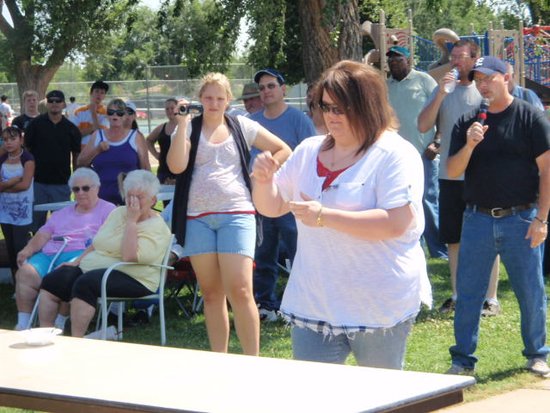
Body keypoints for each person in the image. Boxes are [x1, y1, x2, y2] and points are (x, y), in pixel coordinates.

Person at [252, 60, 430, 369]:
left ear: (367, 106)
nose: (331, 117)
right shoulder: (308, 150)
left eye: (340, 109)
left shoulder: (395, 154)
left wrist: (324, 216)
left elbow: (396, 223)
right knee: (313, 399)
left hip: (377, 303)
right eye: (326, 107)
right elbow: (272, 206)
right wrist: (263, 181)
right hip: (315, 300)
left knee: (380, 398)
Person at [167, 72, 291, 356]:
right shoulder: (187, 128)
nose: (213, 103)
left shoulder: (242, 125)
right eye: (208, 98)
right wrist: (182, 122)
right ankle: (219, 361)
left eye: (219, 98)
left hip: (237, 213)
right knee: (211, 294)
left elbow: (283, 149)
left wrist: (265, 167)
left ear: (228, 100)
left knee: (242, 290)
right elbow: (176, 166)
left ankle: (252, 361)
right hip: (197, 217)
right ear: (200, 99)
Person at [446, 56, 550, 376]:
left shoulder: (530, 117)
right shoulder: (467, 122)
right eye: (478, 78)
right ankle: (462, 359)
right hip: (477, 219)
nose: (483, 83)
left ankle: (537, 353)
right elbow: (452, 171)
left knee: (529, 291)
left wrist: (542, 219)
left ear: (507, 77)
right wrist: (470, 144)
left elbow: (547, 171)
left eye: (489, 77)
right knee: (468, 293)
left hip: (521, 218)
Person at [418, 40, 501, 317]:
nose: (455, 62)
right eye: (452, 57)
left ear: (474, 59)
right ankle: (456, 294)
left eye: (461, 57)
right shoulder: (442, 89)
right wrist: (440, 94)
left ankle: (491, 299)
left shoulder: (484, 91)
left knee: (489, 236)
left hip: (483, 175)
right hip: (449, 176)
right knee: (454, 238)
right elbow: (423, 125)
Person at [37, 169, 171, 337]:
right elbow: (97, 243)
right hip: (97, 268)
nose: (133, 202)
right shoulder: (117, 213)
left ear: (153, 200)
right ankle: (44, 336)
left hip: (137, 278)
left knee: (86, 283)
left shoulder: (156, 228)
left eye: (139, 197)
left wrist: (131, 221)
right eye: (130, 196)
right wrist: (77, 261)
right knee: (53, 281)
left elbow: (129, 256)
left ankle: (75, 341)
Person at [250, 68, 316, 322]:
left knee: (300, 253)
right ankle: (267, 304)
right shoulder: (252, 122)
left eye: (271, 86)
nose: (266, 91)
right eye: (262, 88)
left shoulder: (298, 120)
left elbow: (312, 157)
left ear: (283, 89)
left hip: (292, 202)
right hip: (262, 201)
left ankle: (305, 304)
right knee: (263, 254)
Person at [14, 168, 115, 331]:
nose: (80, 192)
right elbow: (43, 234)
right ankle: (23, 323)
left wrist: (79, 260)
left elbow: (107, 240)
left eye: (86, 188)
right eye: (76, 189)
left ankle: (59, 322)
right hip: (50, 253)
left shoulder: (109, 210)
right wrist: (27, 250)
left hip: (82, 254)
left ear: (97, 187)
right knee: (25, 272)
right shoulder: (61, 213)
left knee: (65, 277)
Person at [386, 45, 448, 259]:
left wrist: (437, 142)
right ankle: (414, 244)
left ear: (409, 60)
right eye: (391, 60)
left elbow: (441, 111)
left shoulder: (424, 81)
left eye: (398, 59)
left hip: (425, 153)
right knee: (402, 200)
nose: (393, 63)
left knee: (428, 200)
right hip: (395, 158)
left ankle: (439, 250)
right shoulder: (385, 87)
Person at [24, 90, 82, 233]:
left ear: (63, 104)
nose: (54, 104)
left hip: (62, 183)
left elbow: (76, 155)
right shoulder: (35, 124)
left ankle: (59, 253)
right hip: (38, 183)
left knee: (62, 226)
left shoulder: (71, 128)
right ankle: (37, 253)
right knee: (37, 226)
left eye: (58, 101)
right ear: (47, 103)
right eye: (51, 101)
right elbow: (26, 149)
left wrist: (75, 179)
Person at [77, 98, 150, 205]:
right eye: (111, 112)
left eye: (119, 113)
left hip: (130, 200)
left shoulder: (136, 136)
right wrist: (97, 150)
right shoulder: (98, 135)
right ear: (107, 115)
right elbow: (80, 162)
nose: (115, 116)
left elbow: (146, 168)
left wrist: (150, 194)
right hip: (101, 200)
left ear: (125, 116)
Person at [0, 126, 34, 280]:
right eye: (5, 139)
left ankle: (25, 280)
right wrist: (13, 181)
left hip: (22, 211)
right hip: (5, 211)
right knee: (10, 247)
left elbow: (25, 185)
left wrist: (3, 187)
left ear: (21, 140)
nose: (9, 143)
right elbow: (17, 184)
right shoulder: (2, 158)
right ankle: (15, 281)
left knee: (21, 245)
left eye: (13, 139)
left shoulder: (28, 159)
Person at [146, 98, 178, 185]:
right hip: (164, 172)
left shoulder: (186, 127)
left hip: (181, 172)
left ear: (178, 108)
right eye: (167, 109)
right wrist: (156, 155)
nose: (170, 111)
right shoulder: (161, 128)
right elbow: (148, 140)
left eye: (172, 108)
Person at [71, 80, 110, 149]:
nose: (99, 94)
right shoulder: (79, 112)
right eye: (97, 91)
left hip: (100, 152)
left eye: (102, 93)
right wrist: (93, 128)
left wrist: (93, 112)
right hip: (81, 151)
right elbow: (74, 134)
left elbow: (100, 133)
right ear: (91, 93)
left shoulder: (108, 113)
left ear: (104, 96)